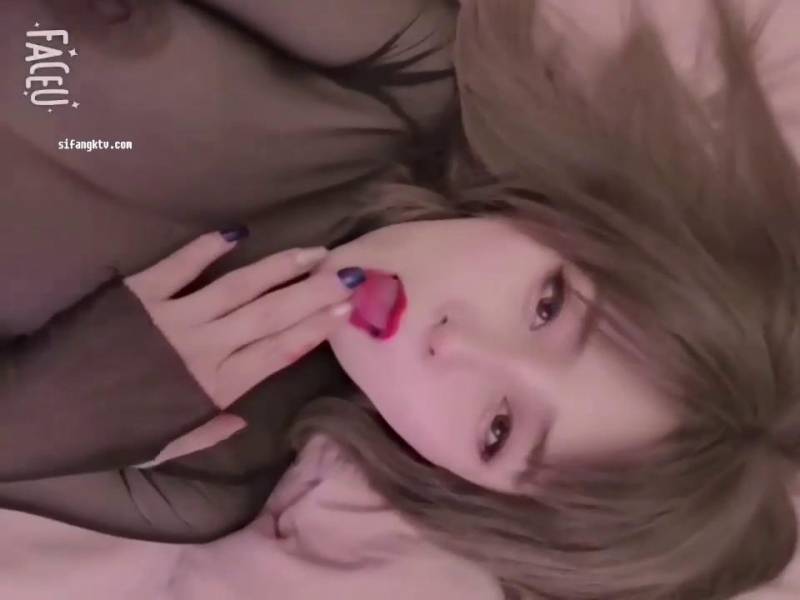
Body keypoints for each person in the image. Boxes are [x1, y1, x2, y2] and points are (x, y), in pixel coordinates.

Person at [3, 1, 800, 599]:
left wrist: (29, 421)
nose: (452, 341)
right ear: (573, 227)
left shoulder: (197, 479)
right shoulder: (402, 63)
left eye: (497, 429)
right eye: (549, 306)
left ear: (458, 485)